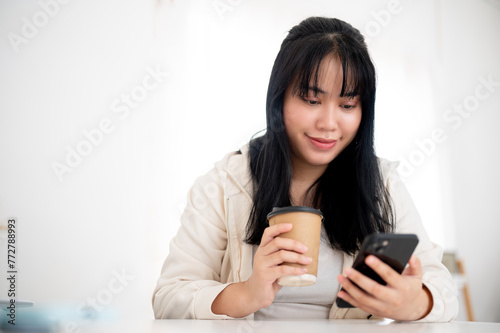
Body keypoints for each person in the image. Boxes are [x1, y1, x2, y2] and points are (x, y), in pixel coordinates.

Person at [152, 16, 459, 321]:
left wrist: (414, 303)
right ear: (279, 98)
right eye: (312, 100)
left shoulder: (382, 184)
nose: (328, 123)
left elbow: (442, 289)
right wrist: (246, 293)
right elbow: (168, 298)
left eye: (348, 105)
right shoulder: (224, 183)